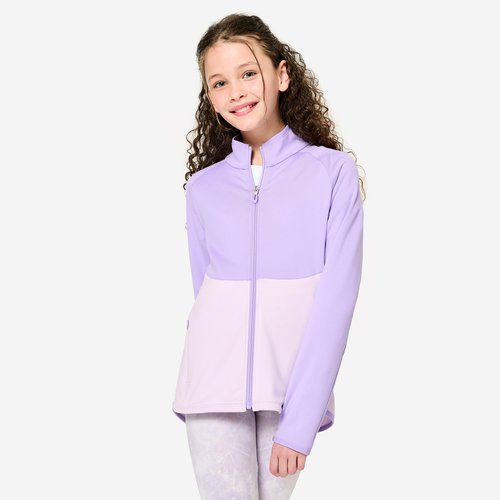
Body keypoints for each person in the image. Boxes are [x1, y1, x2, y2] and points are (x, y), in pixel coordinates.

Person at [172, 12, 366, 500]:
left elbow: (336, 304)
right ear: (209, 97)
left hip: (289, 388)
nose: (235, 91)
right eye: (219, 82)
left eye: (248, 73)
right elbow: (203, 291)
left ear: (281, 75)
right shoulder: (203, 188)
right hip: (211, 386)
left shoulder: (332, 173)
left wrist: (301, 420)